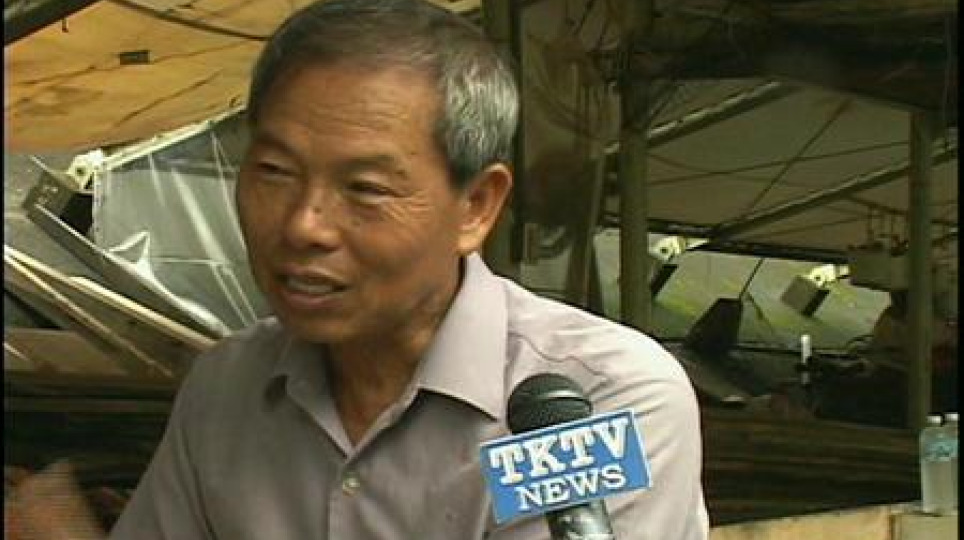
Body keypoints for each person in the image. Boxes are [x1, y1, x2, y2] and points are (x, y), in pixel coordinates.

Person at [10, 1, 709, 538]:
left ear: (476, 206)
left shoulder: (593, 401)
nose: (303, 225)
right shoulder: (227, 390)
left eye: (366, 188)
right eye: (274, 172)